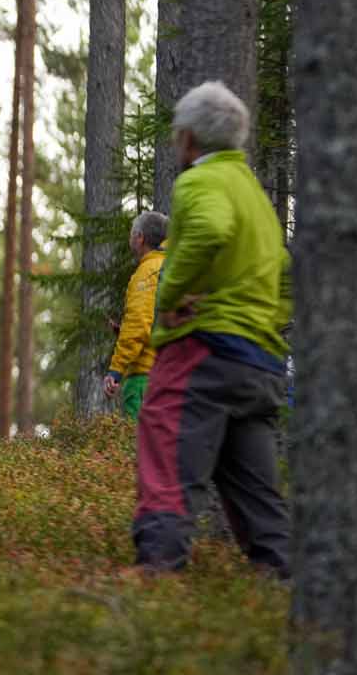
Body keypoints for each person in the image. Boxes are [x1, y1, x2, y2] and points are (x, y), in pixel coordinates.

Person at [133, 80, 292, 577]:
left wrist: (171, 298)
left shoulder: (201, 182)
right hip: (259, 360)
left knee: (166, 450)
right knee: (254, 485)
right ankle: (280, 577)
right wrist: (264, 322)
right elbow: (285, 270)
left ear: (188, 138)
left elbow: (208, 230)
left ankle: (158, 570)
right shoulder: (254, 195)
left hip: (204, 349)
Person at [103, 211, 169, 420]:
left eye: (132, 234)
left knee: (137, 439)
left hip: (145, 379)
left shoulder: (147, 273)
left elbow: (139, 325)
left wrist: (115, 371)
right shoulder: (173, 268)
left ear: (140, 238)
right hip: (174, 376)